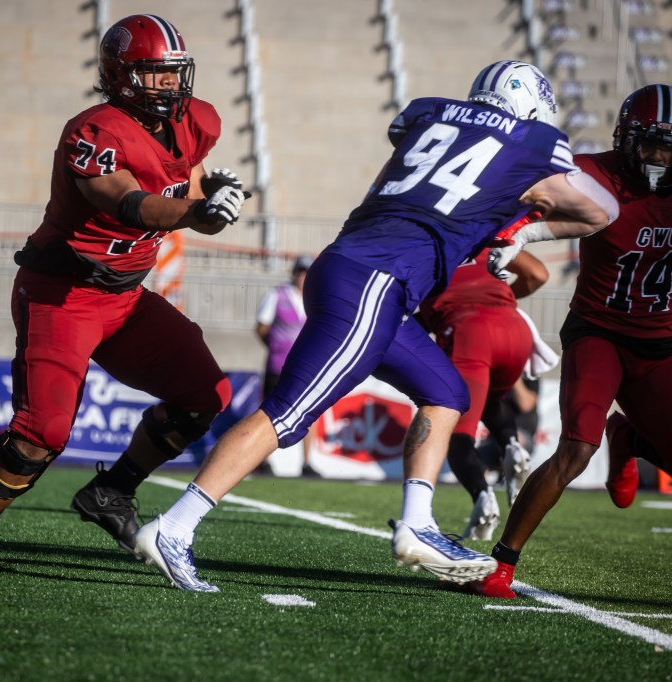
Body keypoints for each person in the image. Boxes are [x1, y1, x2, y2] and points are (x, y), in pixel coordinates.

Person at [131, 60, 620, 592]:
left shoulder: (431, 112)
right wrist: (523, 233)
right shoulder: (533, 140)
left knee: (446, 392)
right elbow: (602, 210)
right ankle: (173, 527)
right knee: (286, 414)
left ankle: (418, 523)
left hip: (361, 272)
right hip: (376, 281)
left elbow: (411, 146)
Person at [0, 14, 248, 569]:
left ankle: (112, 491)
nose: (170, 84)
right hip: (63, 293)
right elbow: (128, 203)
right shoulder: (94, 131)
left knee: (206, 395)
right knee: (42, 431)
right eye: (155, 73)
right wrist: (199, 211)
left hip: (125, 297)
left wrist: (212, 196)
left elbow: (186, 182)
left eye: (175, 72)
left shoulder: (195, 121)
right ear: (121, 76)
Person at [472, 84, 672, 599]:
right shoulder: (592, 175)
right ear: (625, 140)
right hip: (597, 331)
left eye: (669, 148)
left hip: (659, 340)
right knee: (575, 451)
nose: (658, 159)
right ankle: (502, 564)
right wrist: (512, 235)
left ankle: (628, 439)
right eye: (649, 146)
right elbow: (530, 204)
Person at [417, 249, 551, 541]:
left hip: (470, 333)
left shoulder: (420, 248)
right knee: (490, 399)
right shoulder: (483, 239)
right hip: (515, 328)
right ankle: (512, 444)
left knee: (456, 433)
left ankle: (482, 494)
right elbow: (538, 274)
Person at [254, 254, 318, 477]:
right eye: (300, 273)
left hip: (305, 365)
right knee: (269, 412)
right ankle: (264, 460)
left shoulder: (314, 298)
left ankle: (307, 462)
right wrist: (276, 346)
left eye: (306, 273)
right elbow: (262, 327)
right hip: (278, 364)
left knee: (308, 410)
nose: (303, 277)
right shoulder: (277, 295)